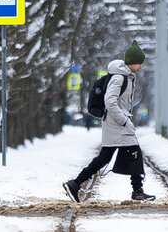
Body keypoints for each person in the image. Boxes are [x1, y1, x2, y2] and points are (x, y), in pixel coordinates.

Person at [63, 41, 155, 202]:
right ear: (131, 62)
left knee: (105, 157)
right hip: (117, 123)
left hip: (115, 122)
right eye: (139, 62)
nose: (141, 66)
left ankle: (75, 183)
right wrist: (124, 120)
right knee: (135, 154)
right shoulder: (119, 78)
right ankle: (138, 191)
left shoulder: (126, 77)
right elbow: (110, 101)